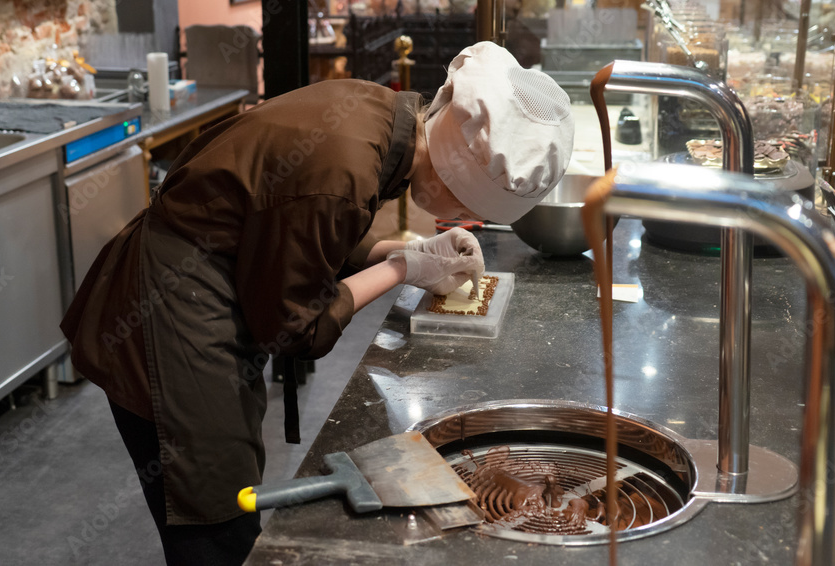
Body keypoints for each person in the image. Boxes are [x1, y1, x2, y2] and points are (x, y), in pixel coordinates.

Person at [60, 41, 573, 565]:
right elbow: (295, 327)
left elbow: (304, 227)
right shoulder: (346, 168)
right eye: (467, 206)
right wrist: (404, 269)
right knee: (215, 519)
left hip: (199, 281)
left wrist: (402, 251)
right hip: (169, 312)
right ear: (453, 170)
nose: (461, 218)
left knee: (222, 502)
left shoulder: (378, 115)